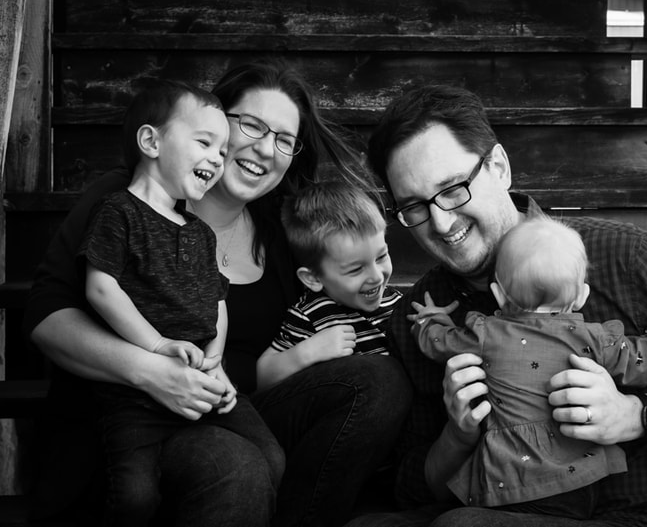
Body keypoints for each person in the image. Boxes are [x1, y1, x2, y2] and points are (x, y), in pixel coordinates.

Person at [345, 84, 647, 526]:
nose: (440, 221)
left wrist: (634, 415)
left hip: (633, 516)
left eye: (453, 189)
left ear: (498, 167)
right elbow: (412, 487)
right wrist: (457, 435)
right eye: (413, 206)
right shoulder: (421, 312)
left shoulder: (622, 257)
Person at [24, 60, 411, 527]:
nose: (265, 149)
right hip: (127, 421)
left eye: (284, 139)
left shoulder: (281, 234)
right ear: (213, 121)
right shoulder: (127, 199)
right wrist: (152, 371)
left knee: (378, 380)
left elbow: (350, 297)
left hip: (235, 411)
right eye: (251, 124)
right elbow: (47, 318)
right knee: (233, 462)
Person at [407, 216, 647, 517]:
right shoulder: (593, 339)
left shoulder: (485, 335)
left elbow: (438, 342)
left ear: (498, 293)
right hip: (580, 477)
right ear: (581, 297)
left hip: (509, 478)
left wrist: (429, 319)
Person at [79, 80, 280, 526]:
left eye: (222, 150)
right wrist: (155, 347)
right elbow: (100, 288)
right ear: (151, 141)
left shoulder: (199, 232)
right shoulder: (118, 212)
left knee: (271, 456)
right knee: (134, 498)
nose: (217, 158)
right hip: (135, 397)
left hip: (202, 381)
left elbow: (218, 303)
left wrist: (215, 360)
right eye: (204, 142)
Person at [260, 181, 402, 388]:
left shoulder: (396, 302)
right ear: (314, 279)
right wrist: (307, 352)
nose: (377, 277)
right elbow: (262, 377)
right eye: (355, 269)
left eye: (381, 256)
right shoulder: (310, 316)